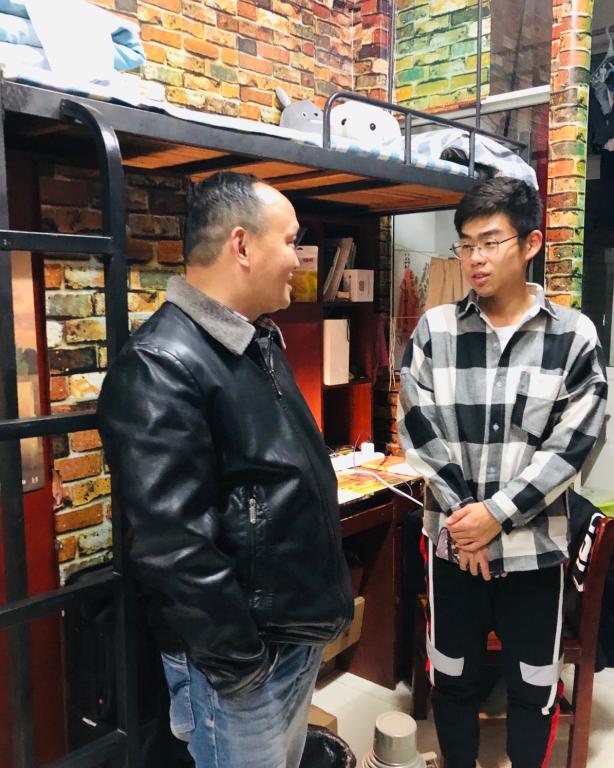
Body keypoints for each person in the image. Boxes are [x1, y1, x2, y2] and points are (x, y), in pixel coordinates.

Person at [98, 172, 354, 768]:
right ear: (242, 245)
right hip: (241, 669)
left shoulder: (254, 340)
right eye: (290, 241)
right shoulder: (161, 362)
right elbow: (171, 545)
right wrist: (242, 666)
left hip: (284, 643)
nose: (298, 258)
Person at [398, 177, 608, 768]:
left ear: (531, 243)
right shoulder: (436, 330)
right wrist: (469, 521)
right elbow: (417, 425)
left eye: (490, 242)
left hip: (534, 551)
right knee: (451, 679)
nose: (475, 258)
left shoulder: (573, 336)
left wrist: (495, 515)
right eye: (466, 244)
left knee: (534, 688)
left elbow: (573, 445)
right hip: (455, 549)